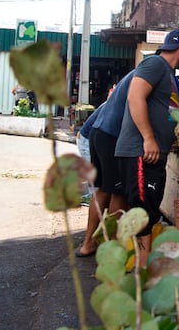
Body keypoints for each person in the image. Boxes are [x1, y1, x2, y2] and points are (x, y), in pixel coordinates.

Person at [114, 29, 179, 266]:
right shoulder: (155, 64)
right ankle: (142, 276)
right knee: (142, 212)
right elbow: (134, 97)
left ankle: (140, 268)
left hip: (152, 153)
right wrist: (148, 138)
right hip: (141, 151)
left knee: (148, 209)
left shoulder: (168, 75)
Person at [75, 70, 134, 257]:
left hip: (95, 135)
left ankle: (89, 243)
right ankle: (110, 250)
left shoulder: (129, 80)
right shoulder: (145, 80)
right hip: (103, 138)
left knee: (102, 191)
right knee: (118, 192)